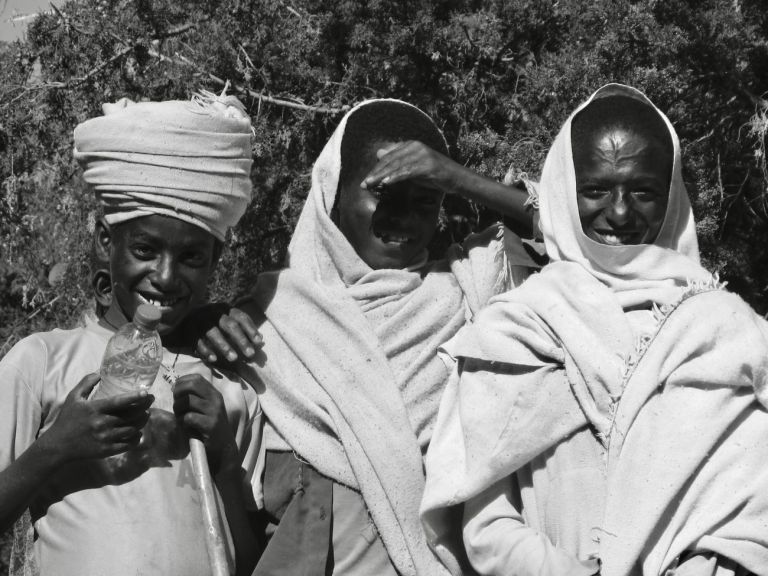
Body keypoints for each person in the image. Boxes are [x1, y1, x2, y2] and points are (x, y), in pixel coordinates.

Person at [420, 83, 768, 576]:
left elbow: (754, 512)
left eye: (643, 191)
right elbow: (485, 526)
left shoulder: (728, 332)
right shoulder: (513, 330)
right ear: (564, 192)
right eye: (597, 189)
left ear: (671, 199)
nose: (621, 212)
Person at [198, 98, 539, 575]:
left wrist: (458, 178)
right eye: (383, 193)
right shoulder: (266, 322)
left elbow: (579, 227)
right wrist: (198, 324)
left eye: (426, 200)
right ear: (333, 193)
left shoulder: (468, 289)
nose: (404, 217)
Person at [0, 93, 262, 576]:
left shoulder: (229, 386)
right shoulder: (41, 361)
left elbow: (250, 563)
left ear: (215, 263)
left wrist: (223, 456)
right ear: (106, 241)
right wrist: (56, 447)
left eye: (191, 258)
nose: (164, 277)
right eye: (144, 249)